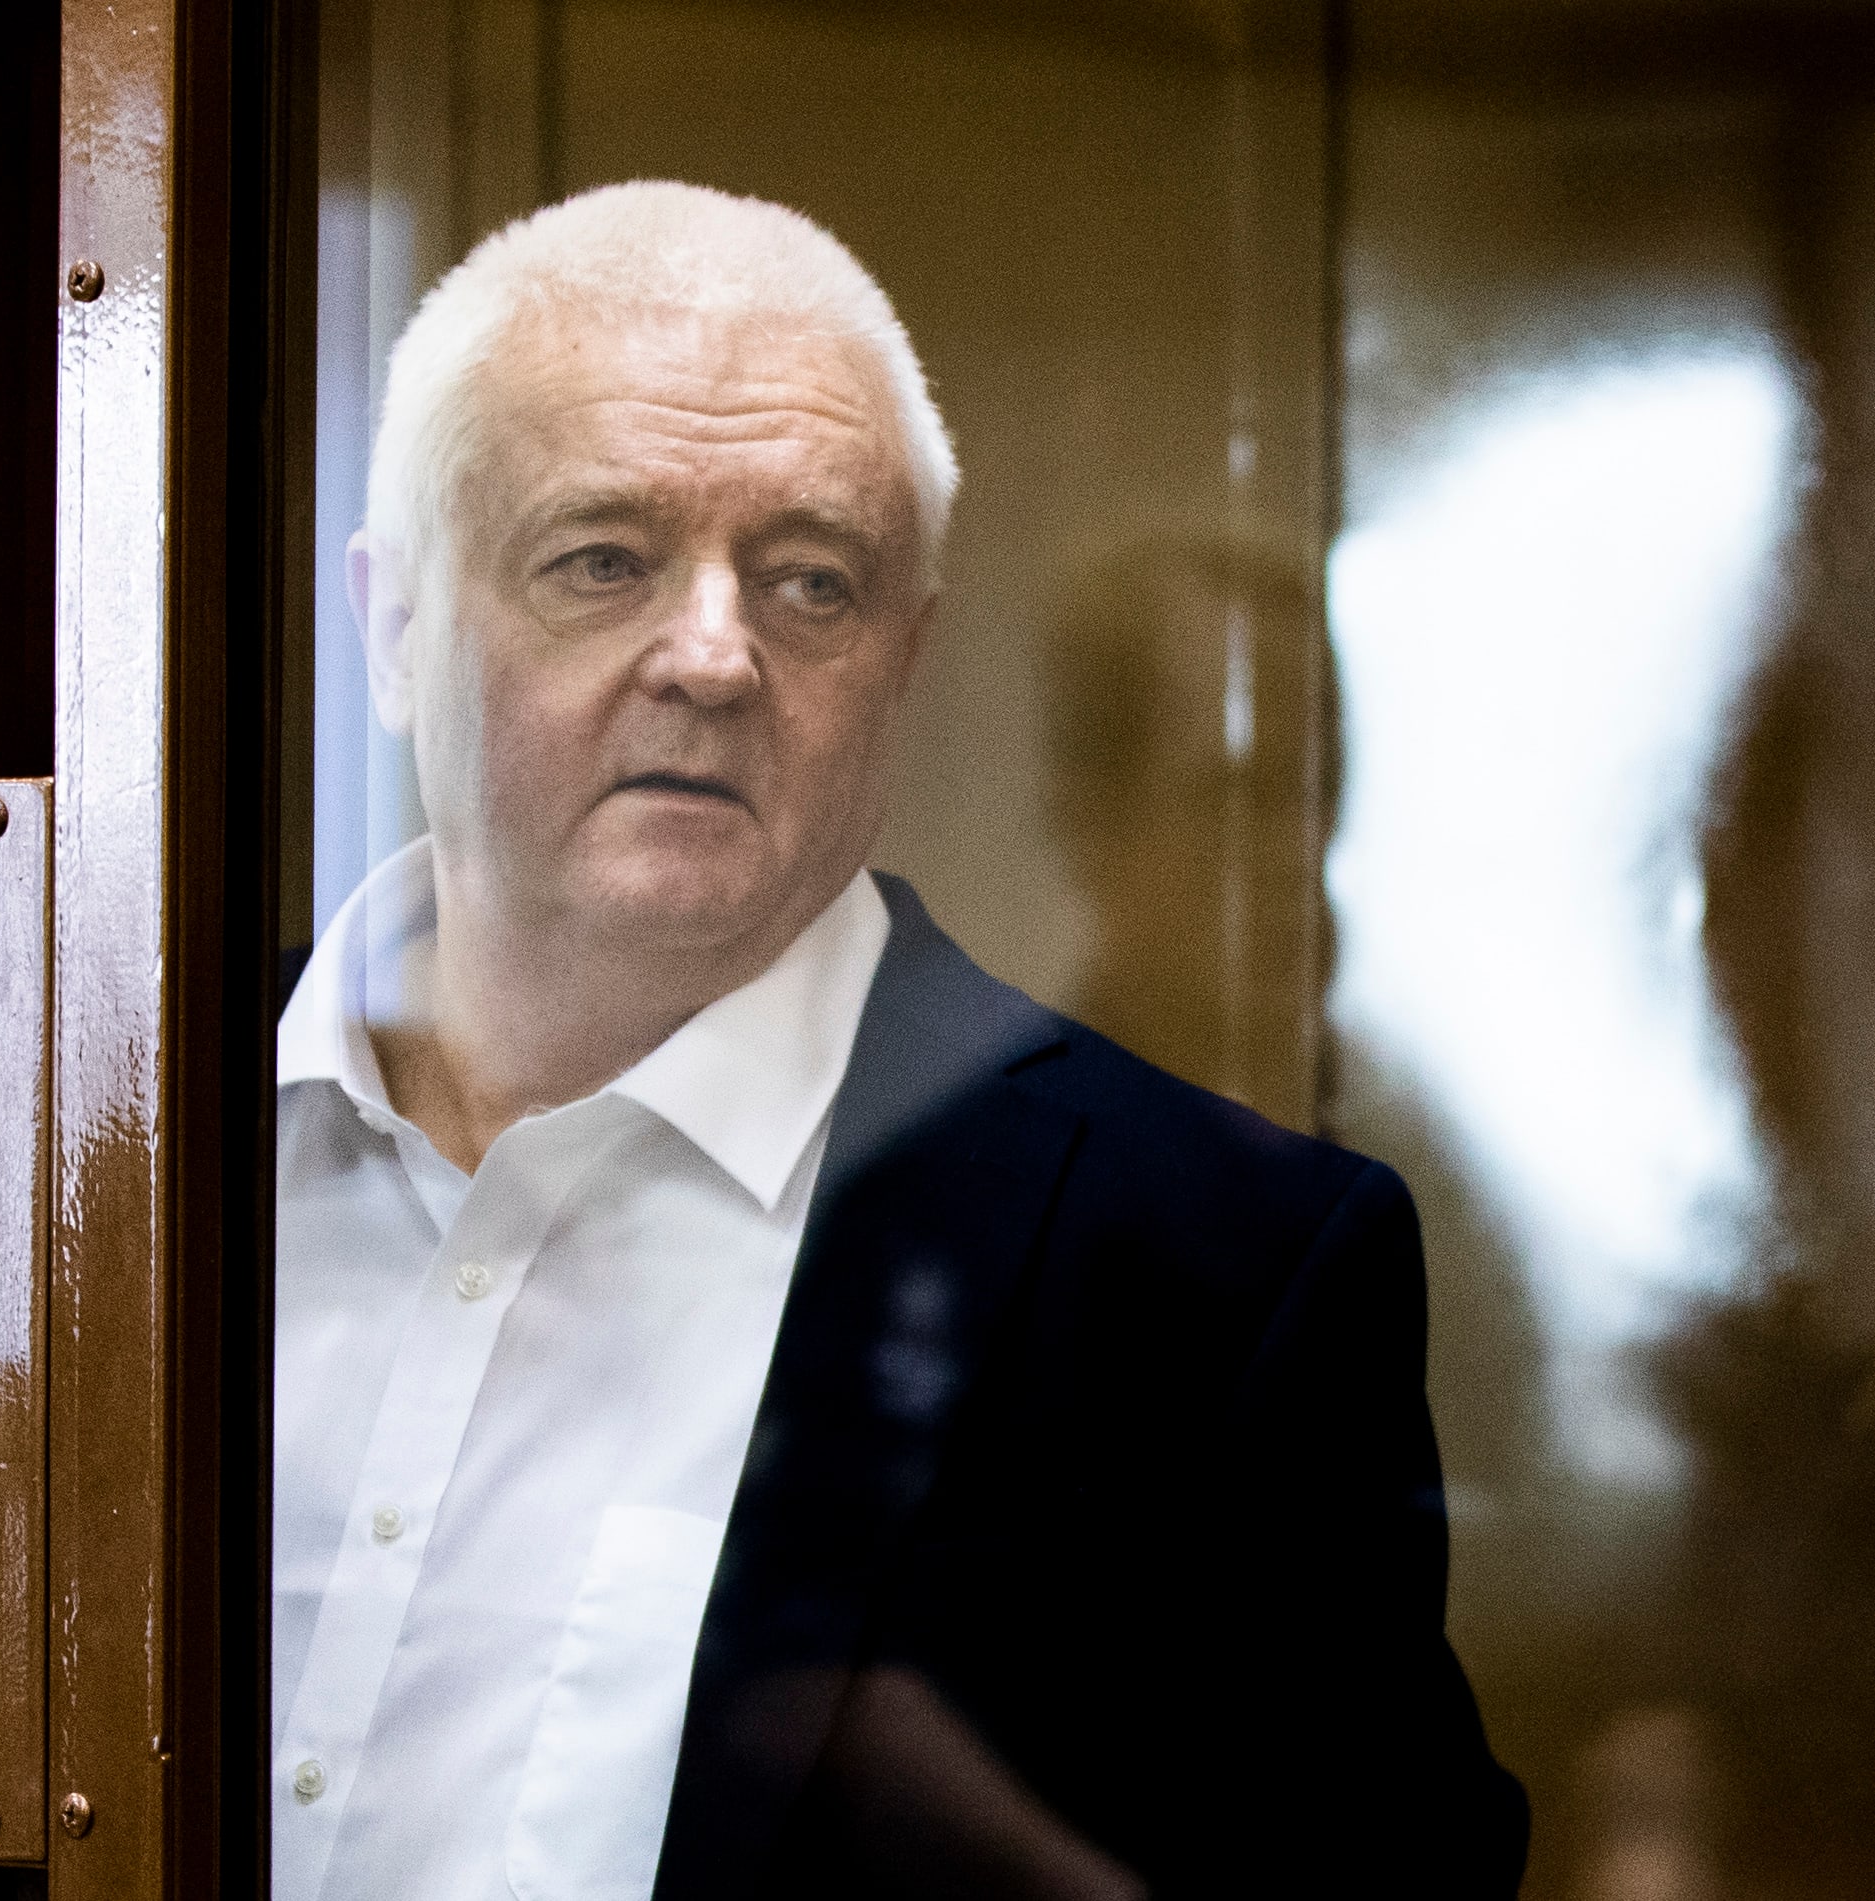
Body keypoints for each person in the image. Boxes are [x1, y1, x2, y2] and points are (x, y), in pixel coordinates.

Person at [275, 182, 1526, 1900]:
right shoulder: (91, 1127)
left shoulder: (1220, 1281)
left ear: (903, 659)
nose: (711, 655)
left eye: (810, 581)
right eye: (601, 559)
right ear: (395, 626)